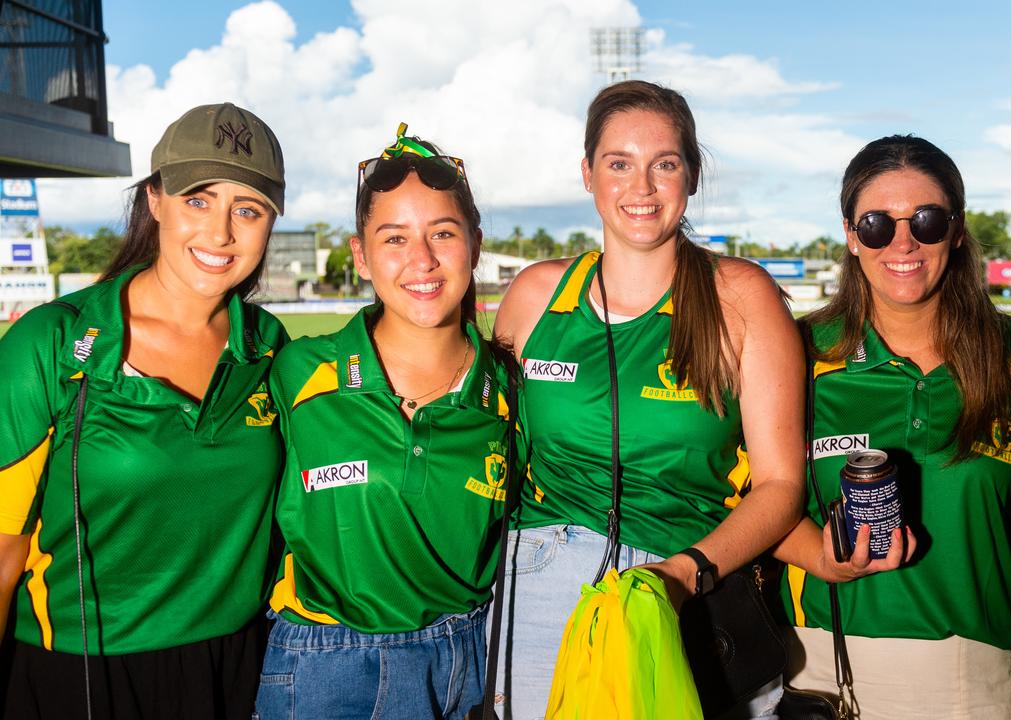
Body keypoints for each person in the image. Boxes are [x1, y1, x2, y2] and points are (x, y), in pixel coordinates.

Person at [491, 80, 805, 718]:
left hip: (693, 585)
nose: (642, 187)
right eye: (619, 163)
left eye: (664, 164)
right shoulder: (534, 296)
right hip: (544, 581)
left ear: (690, 175)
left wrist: (685, 573)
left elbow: (780, 485)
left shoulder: (742, 295)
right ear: (587, 174)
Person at [0, 102, 287, 717]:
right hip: (77, 675)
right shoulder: (50, 343)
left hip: (241, 670)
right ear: (154, 200)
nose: (221, 234)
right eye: (198, 200)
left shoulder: (270, 346)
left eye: (248, 209)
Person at [774, 135, 1011, 720]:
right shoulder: (797, 353)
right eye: (878, 224)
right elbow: (748, 503)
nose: (902, 242)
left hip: (977, 674)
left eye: (926, 220)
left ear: (956, 230)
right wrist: (821, 556)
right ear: (852, 237)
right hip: (820, 668)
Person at [254, 125, 515, 720]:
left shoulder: (507, 392)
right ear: (361, 256)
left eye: (442, 234)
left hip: (474, 666)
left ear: (474, 244)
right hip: (325, 669)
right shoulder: (297, 371)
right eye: (394, 238)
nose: (421, 261)